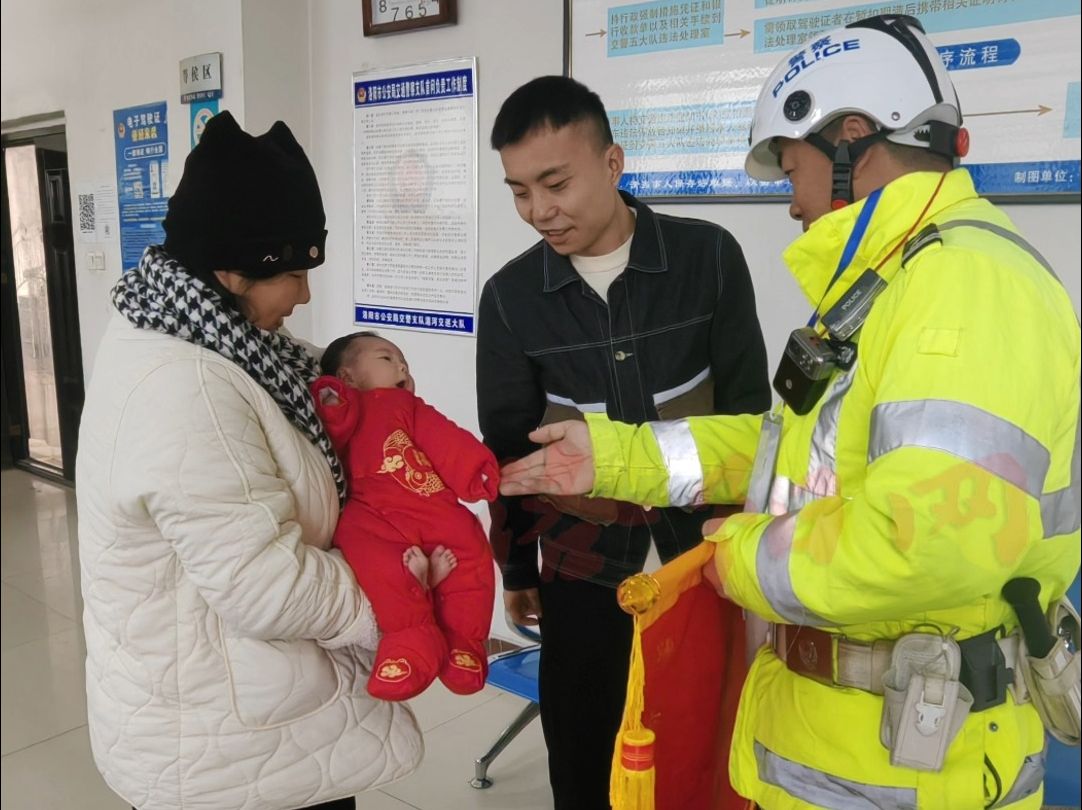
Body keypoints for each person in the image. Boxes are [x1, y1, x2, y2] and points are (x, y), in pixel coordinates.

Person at [500, 15, 1081, 810]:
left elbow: (923, 547)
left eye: (792, 167)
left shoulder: (965, 289)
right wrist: (616, 456)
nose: (789, 198)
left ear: (851, 140)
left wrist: (739, 558)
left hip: (908, 761)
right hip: (842, 741)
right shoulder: (890, 284)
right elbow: (791, 453)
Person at [75, 111, 422, 810]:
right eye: (291, 273)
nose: (304, 294)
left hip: (247, 714)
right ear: (230, 270)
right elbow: (265, 584)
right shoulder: (185, 384)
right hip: (223, 746)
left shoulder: (204, 333)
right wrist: (401, 600)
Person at [478, 75, 771, 808]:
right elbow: (509, 452)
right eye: (518, 191)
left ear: (612, 163)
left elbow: (749, 412)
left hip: (703, 556)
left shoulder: (707, 258)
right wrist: (517, 569)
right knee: (585, 755)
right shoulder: (511, 298)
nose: (539, 211)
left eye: (555, 182)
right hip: (582, 569)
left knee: (710, 745)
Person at [311, 332, 498, 701]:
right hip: (371, 512)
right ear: (347, 376)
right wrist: (331, 401)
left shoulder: (411, 408)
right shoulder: (346, 404)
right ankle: (409, 642)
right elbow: (329, 431)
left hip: (428, 503)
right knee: (370, 558)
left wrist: (475, 470)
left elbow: (445, 441)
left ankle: (463, 641)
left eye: (405, 365)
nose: (401, 367)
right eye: (387, 358)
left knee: (470, 545)